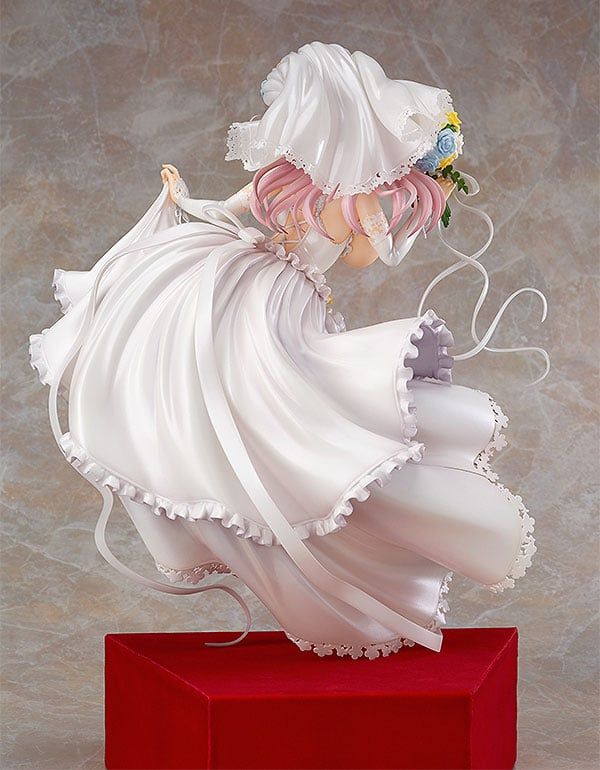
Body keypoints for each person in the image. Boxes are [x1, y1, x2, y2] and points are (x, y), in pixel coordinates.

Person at [29, 42, 547, 658]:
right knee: (278, 402)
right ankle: (276, 490)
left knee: (262, 399)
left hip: (252, 283)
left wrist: (183, 198)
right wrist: (413, 204)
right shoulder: (348, 200)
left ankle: (265, 489)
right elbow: (369, 255)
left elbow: (226, 211)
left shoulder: (287, 181)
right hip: (274, 295)